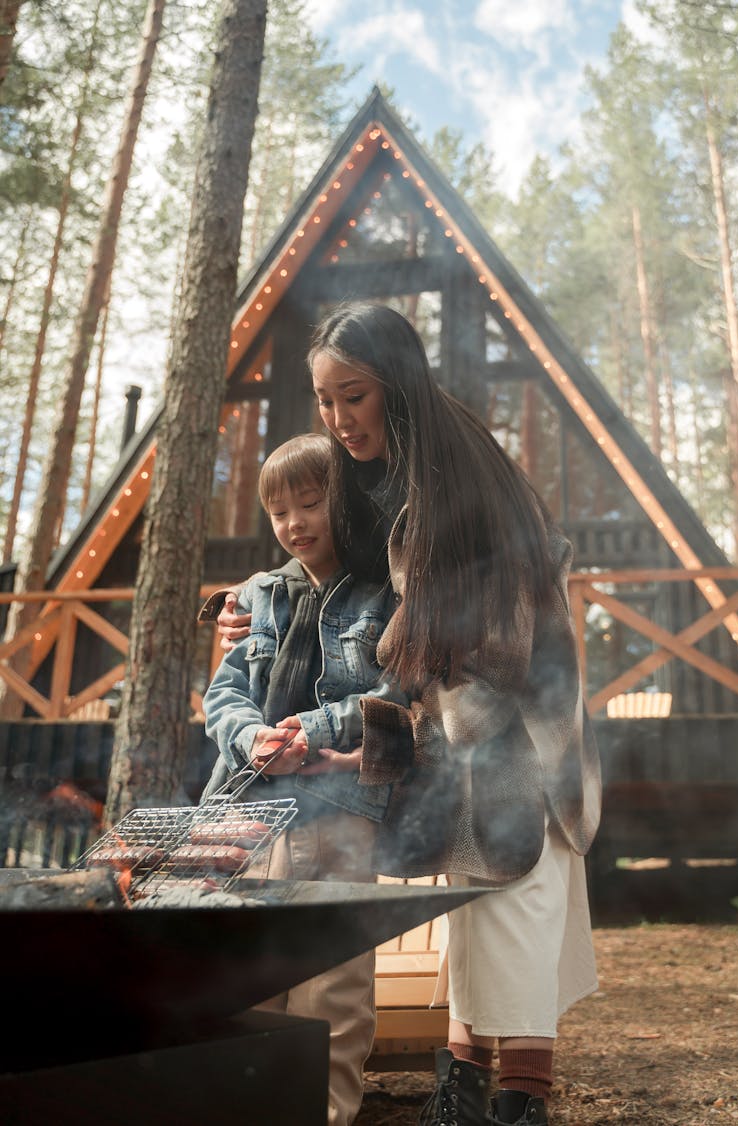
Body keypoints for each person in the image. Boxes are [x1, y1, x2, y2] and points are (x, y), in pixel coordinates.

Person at [216, 303, 602, 1126]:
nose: (337, 419)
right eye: (324, 401)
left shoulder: (461, 483)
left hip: (517, 729)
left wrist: (361, 741)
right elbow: (328, 569)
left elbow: (487, 662)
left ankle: (519, 1099)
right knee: (474, 897)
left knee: (518, 888)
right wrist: (245, 604)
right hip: (453, 732)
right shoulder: (383, 473)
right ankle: (463, 1084)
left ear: (394, 381)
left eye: (351, 396)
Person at [200, 432, 406, 1126]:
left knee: (332, 980)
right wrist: (251, 734)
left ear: (342, 501)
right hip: (246, 808)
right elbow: (224, 695)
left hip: (337, 803)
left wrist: (314, 730)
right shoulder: (259, 594)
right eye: (279, 512)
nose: (294, 523)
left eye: (311, 503)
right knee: (246, 968)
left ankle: (322, 1112)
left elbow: (395, 692)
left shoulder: (382, 591)